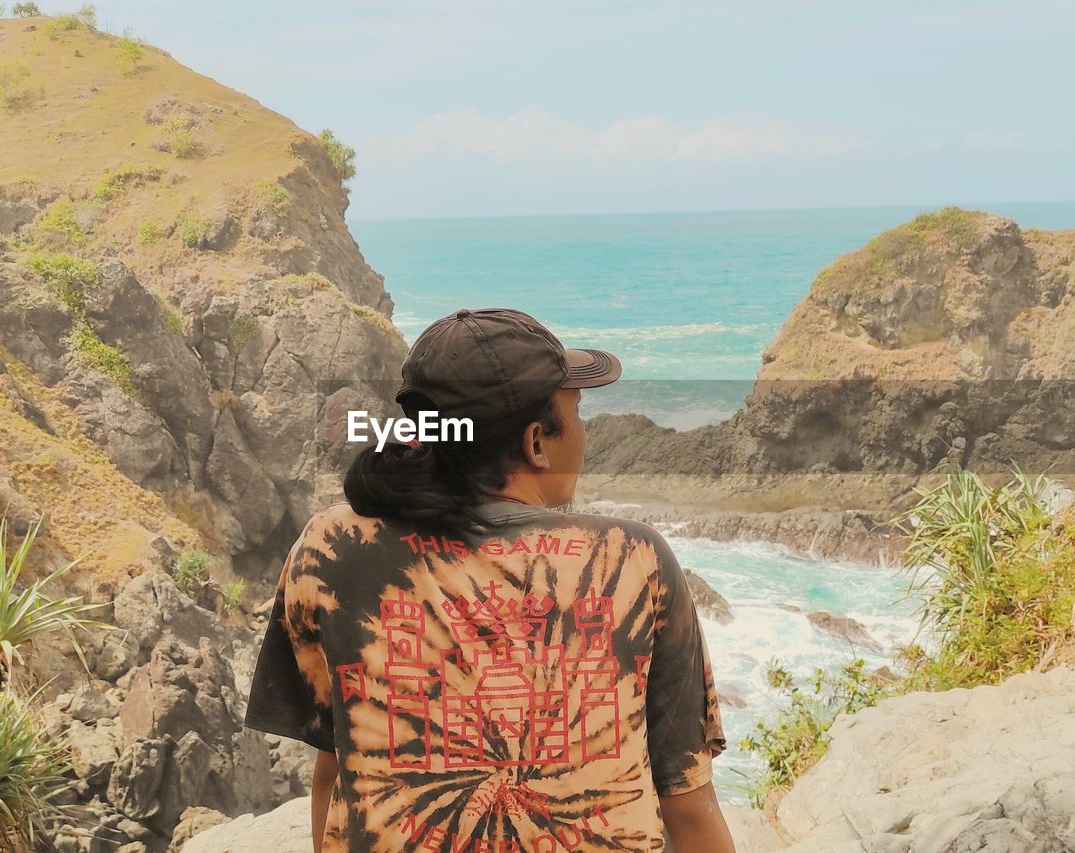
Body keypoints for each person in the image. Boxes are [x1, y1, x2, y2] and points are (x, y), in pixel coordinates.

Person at [245, 307, 735, 852]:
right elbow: (689, 805)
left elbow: (336, 772)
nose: (584, 431)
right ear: (537, 443)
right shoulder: (631, 558)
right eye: (576, 412)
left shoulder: (331, 548)